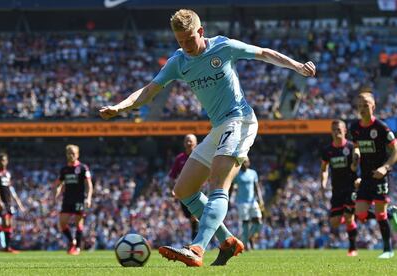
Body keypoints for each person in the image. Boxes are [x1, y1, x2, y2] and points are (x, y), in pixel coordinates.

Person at [99, 9, 315, 266]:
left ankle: (198, 248)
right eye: (180, 41)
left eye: (189, 39)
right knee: (183, 190)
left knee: (217, 185)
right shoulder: (178, 62)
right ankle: (227, 241)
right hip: (218, 128)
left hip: (240, 120)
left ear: (201, 32)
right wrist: (120, 107)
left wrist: (297, 66)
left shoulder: (223, 47)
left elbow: (263, 53)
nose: (186, 46)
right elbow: (148, 91)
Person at [350, 92, 397, 259]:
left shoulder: (381, 128)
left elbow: (395, 151)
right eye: (360, 105)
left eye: (366, 105)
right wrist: (356, 156)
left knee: (379, 214)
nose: (363, 109)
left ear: (373, 106)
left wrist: (385, 168)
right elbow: (356, 146)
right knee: (360, 213)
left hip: (380, 176)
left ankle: (387, 250)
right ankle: (391, 214)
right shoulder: (354, 127)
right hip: (365, 177)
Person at [320, 120, 358, 257]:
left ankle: (352, 248)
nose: (337, 132)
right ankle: (346, 216)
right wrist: (323, 182)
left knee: (349, 217)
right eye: (334, 130)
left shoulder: (351, 147)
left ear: (345, 130)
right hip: (337, 189)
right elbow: (324, 169)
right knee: (334, 223)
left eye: (339, 130)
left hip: (351, 187)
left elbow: (357, 167)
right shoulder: (327, 150)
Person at [53, 145, 93, 255]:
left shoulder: (83, 168)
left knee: (78, 223)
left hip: (79, 199)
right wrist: (56, 191)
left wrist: (88, 198)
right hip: (67, 199)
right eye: (69, 153)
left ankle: (78, 247)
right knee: (62, 223)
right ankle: (72, 241)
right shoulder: (64, 170)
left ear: (78, 154)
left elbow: (89, 184)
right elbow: (59, 183)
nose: (71, 155)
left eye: (73, 153)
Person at [0, 152, 25, 253]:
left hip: (8, 202)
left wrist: (18, 202)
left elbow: (10, 188)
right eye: (0, 160)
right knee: (5, 223)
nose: (2, 162)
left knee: (8, 225)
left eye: (4, 160)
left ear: (7, 161)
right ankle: (4, 246)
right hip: (0, 202)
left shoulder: (7, 174)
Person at [169, 134, 199, 240]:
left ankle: (196, 243)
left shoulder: (200, 156)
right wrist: (173, 190)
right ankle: (196, 241)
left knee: (195, 217)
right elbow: (172, 176)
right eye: (187, 141)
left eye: (191, 141)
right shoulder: (180, 158)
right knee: (191, 218)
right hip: (183, 193)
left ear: (196, 143)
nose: (189, 143)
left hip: (198, 191)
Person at [231, 158, 264, 250]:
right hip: (242, 202)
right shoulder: (237, 174)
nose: (245, 163)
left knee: (258, 222)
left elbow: (256, 187)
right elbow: (232, 187)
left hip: (253, 201)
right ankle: (245, 245)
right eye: (243, 162)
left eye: (246, 162)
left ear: (249, 163)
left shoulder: (253, 173)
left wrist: (260, 199)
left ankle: (247, 237)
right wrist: (228, 199)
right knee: (246, 223)